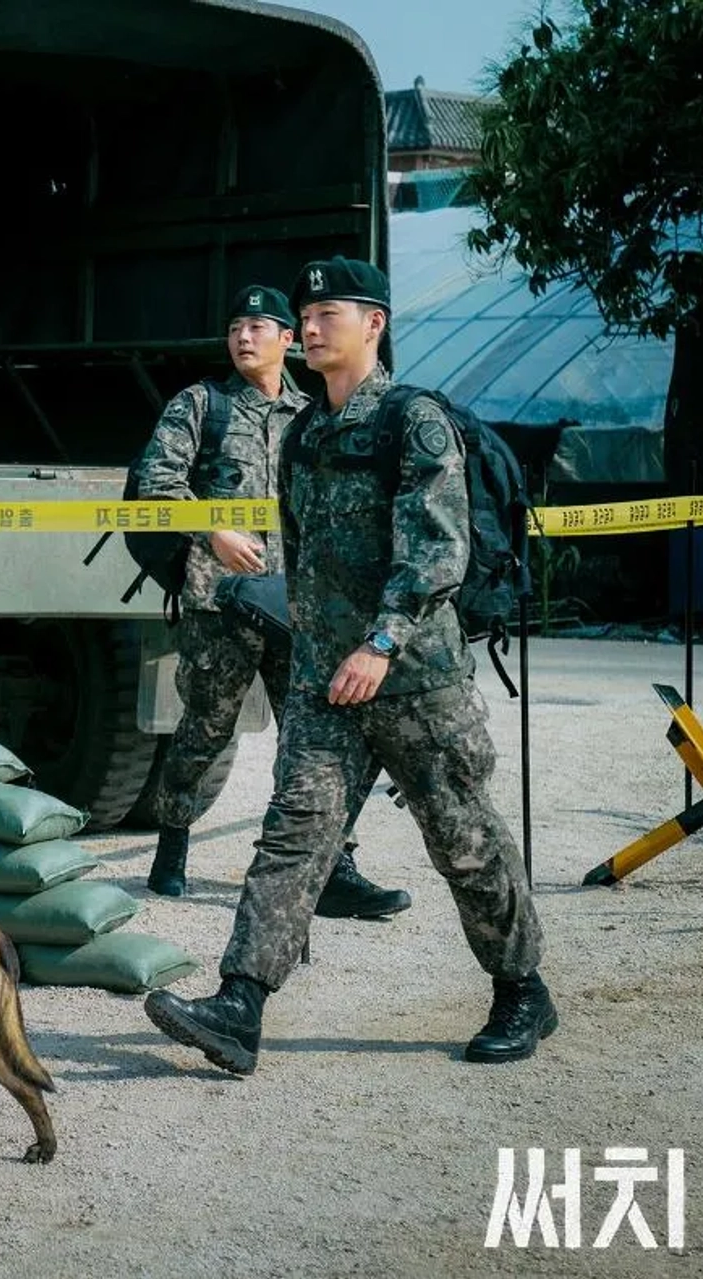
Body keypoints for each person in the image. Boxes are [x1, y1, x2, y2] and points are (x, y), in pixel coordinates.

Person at [144, 257, 555, 1075]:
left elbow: (439, 550)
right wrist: (308, 649)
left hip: (413, 681)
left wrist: (382, 641)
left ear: (375, 324)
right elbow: (304, 556)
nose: (313, 322)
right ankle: (240, 1004)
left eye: (331, 309)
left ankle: (522, 988)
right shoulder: (305, 435)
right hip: (326, 682)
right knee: (294, 840)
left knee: (463, 840)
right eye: (309, 310)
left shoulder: (414, 421)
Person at [130, 286, 409, 920]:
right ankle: (172, 844)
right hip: (219, 603)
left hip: (298, 608)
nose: (244, 338)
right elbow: (156, 483)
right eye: (235, 328)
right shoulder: (201, 406)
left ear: (288, 339)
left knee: (314, 740)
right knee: (204, 730)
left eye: (259, 327)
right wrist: (213, 529)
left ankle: (334, 867)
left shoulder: (314, 415)